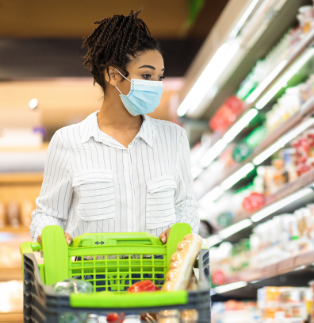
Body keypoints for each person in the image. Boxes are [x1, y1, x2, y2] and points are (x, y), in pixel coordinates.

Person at [30, 10, 199, 246]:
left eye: (159, 77)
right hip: (92, 277)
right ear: (112, 74)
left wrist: (182, 229)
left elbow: (186, 206)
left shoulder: (174, 138)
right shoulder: (68, 141)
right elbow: (48, 214)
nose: (156, 86)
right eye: (146, 75)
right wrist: (51, 235)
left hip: (160, 277)